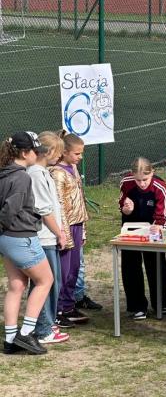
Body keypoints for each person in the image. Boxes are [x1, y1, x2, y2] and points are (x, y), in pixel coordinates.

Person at [1, 132, 53, 355]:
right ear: (24, 153)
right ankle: (26, 333)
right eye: (35, 150)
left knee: (16, 285)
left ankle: (10, 339)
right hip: (20, 237)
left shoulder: (3, 174)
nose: (37, 154)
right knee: (45, 280)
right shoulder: (22, 177)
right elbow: (10, 210)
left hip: (5, 240)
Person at [26, 131, 69, 344]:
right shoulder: (36, 174)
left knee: (53, 282)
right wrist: (59, 233)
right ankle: (43, 327)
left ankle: (47, 322)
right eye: (58, 153)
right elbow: (44, 210)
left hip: (48, 237)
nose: (60, 158)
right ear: (49, 151)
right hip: (43, 238)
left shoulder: (42, 172)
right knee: (45, 284)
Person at [119, 157, 166, 320]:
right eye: (138, 180)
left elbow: (163, 213)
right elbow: (122, 204)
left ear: (152, 173)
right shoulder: (126, 183)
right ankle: (137, 306)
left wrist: (158, 225)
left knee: (156, 264)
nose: (142, 183)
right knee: (130, 265)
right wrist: (126, 209)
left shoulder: (159, 186)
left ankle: (161, 303)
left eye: (145, 180)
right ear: (132, 175)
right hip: (131, 229)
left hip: (153, 229)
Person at [50, 133, 90, 325]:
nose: (80, 157)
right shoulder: (57, 173)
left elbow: (80, 198)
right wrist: (63, 233)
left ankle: (68, 305)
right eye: (77, 153)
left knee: (74, 268)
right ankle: (57, 310)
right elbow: (59, 205)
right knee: (63, 271)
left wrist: (83, 229)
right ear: (64, 152)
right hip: (65, 228)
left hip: (77, 224)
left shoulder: (73, 168)